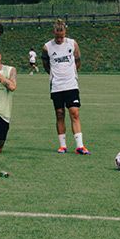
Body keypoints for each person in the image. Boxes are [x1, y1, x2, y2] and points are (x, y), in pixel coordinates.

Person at [44, 18, 87, 153]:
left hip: (71, 84)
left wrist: (71, 74)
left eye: (61, 36)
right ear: (53, 32)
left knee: (74, 113)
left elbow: (78, 61)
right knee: (59, 113)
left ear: (65, 32)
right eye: (57, 36)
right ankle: (63, 145)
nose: (59, 39)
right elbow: (46, 65)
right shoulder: (47, 47)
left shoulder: (72, 44)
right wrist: (55, 76)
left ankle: (80, 146)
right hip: (56, 86)